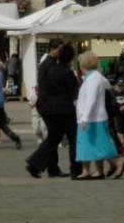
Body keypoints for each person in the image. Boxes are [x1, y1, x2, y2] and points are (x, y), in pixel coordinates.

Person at [26, 43, 80, 179]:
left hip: (48, 108)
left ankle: (36, 164)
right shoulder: (66, 73)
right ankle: (76, 170)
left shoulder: (49, 67)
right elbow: (74, 94)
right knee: (73, 138)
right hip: (64, 110)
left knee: (53, 137)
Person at [74, 51, 124, 180]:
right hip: (90, 117)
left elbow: (91, 100)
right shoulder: (94, 77)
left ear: (83, 65)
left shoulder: (94, 79)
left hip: (92, 118)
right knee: (89, 144)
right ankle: (90, 171)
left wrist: (85, 117)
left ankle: (118, 163)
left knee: (101, 144)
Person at [113, 78, 124, 147]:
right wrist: (117, 108)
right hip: (117, 113)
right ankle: (122, 141)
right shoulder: (114, 93)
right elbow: (113, 102)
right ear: (117, 85)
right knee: (118, 127)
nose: (121, 87)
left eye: (122, 85)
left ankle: (123, 140)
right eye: (119, 85)